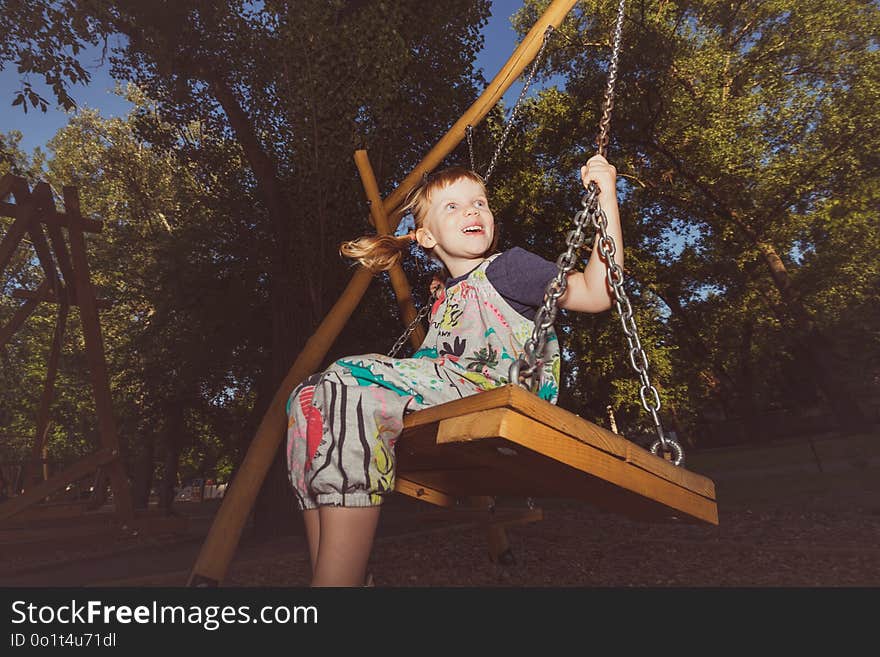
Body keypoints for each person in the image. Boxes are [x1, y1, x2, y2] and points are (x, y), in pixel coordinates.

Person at [286, 154, 622, 586]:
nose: (472, 211)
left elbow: (596, 294)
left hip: (496, 391)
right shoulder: (443, 293)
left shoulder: (508, 267)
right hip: (450, 391)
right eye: (454, 206)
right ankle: (333, 572)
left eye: (480, 202)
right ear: (426, 236)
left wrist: (606, 197)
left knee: (345, 378)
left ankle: (338, 582)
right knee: (309, 397)